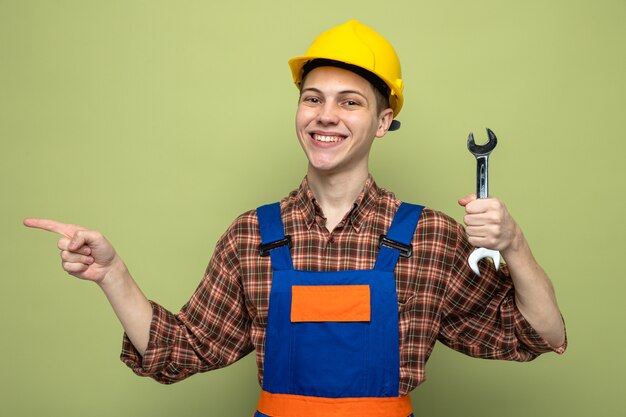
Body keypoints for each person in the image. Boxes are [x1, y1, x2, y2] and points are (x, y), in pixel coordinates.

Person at [24, 20, 566, 417]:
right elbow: (179, 352)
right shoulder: (251, 236)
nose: (325, 115)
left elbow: (538, 335)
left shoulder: (428, 236)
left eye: (350, 102)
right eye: (313, 98)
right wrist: (112, 274)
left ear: (384, 121)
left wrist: (514, 245)